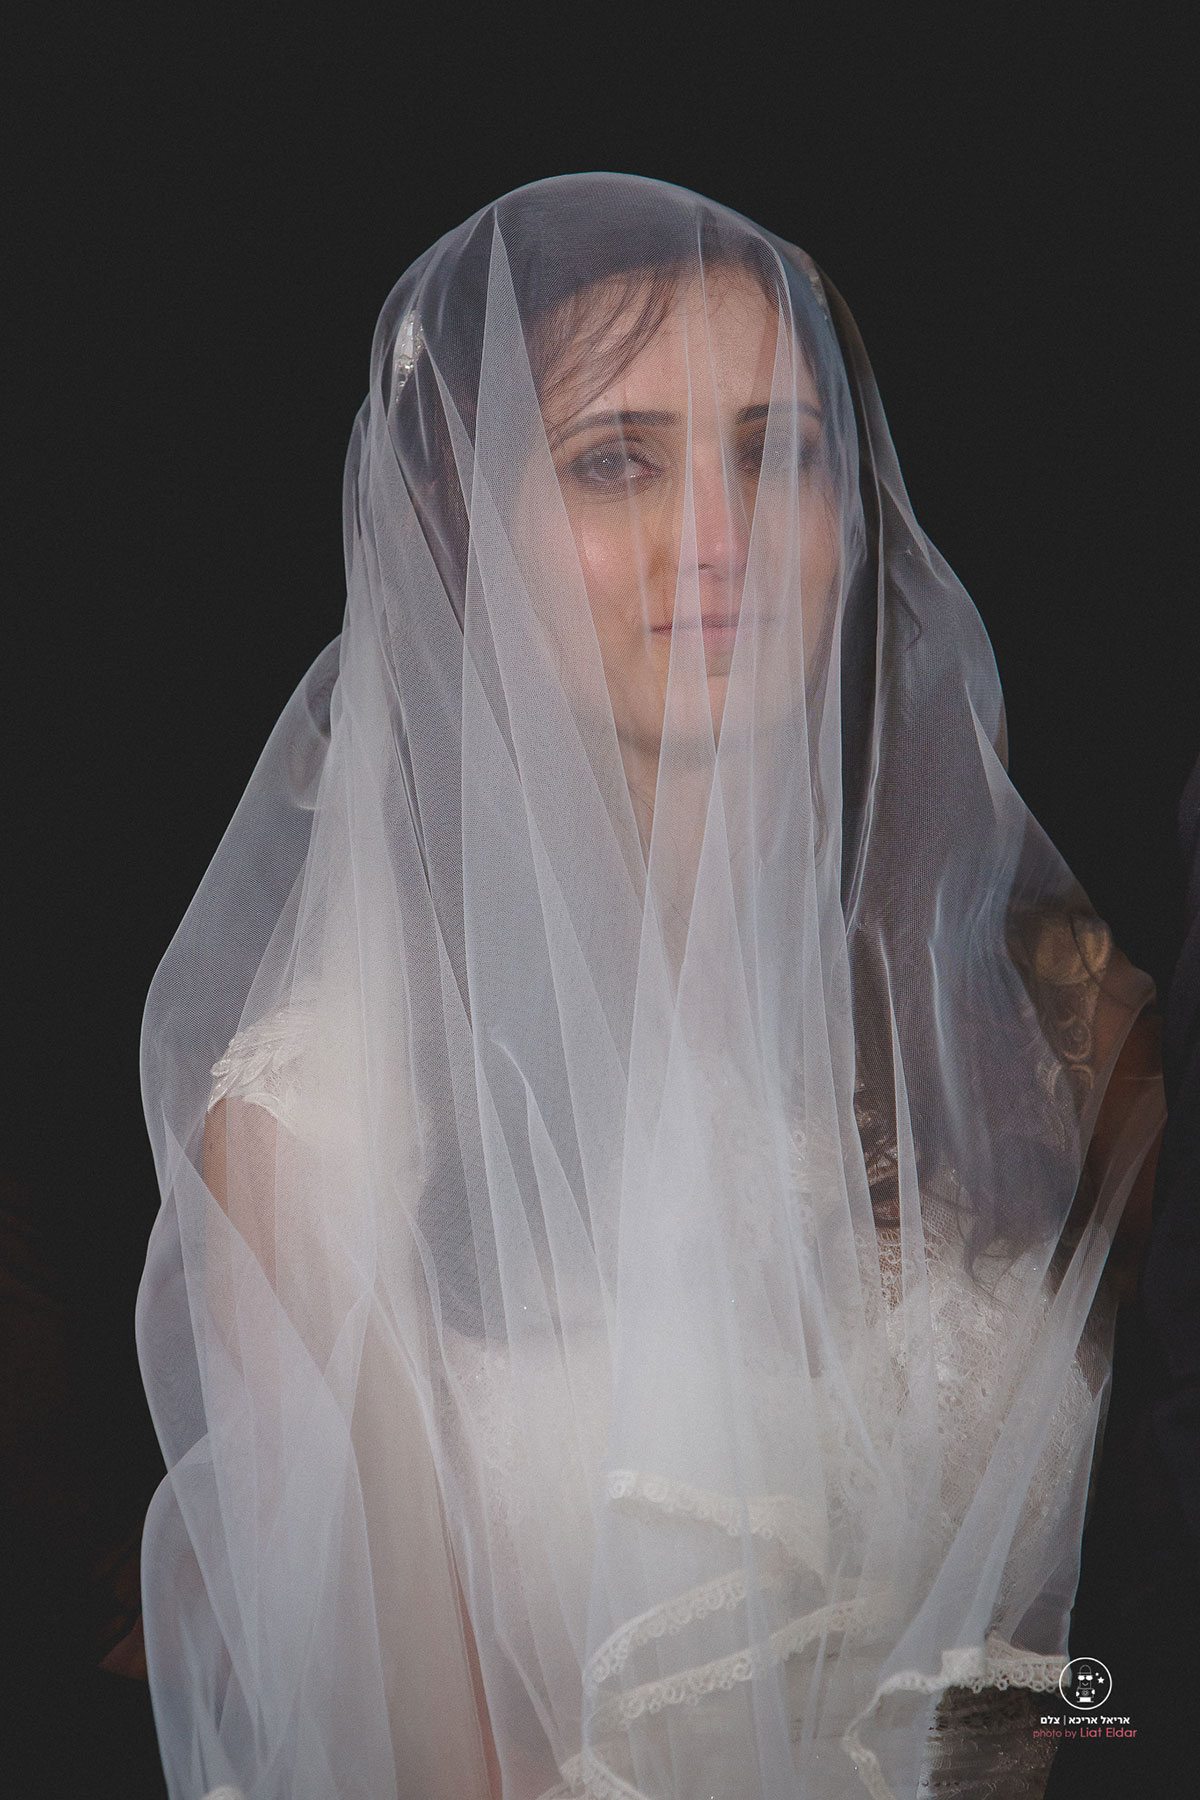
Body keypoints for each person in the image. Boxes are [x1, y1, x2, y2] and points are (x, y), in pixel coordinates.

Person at [136, 175, 1165, 1800]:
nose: (721, 538)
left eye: (780, 451)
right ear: (459, 538)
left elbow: (1107, 1664)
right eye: (617, 460)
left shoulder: (1054, 1027)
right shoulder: (315, 1137)